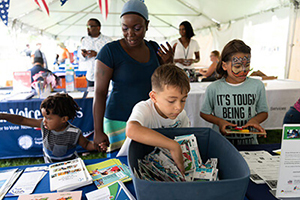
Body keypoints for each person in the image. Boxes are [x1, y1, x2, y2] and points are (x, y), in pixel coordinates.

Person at [93, 0, 174, 152]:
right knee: (120, 168)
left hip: (148, 119)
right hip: (119, 121)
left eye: (137, 28)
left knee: (148, 165)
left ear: (147, 25)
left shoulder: (154, 49)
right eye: (125, 28)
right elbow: (100, 92)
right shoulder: (110, 51)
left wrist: (168, 64)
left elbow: (166, 86)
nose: (130, 34)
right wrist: (97, 130)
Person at [200, 39, 269, 145]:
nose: (243, 70)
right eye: (237, 66)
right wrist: (220, 122)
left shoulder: (257, 85)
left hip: (249, 144)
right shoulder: (213, 88)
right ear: (224, 66)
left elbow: (263, 112)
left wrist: (255, 121)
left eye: (247, 65)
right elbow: (204, 113)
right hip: (221, 143)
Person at [124, 64, 190, 173]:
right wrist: (172, 145)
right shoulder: (144, 108)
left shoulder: (181, 115)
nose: (178, 107)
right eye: (171, 101)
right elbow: (131, 130)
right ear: (154, 97)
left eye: (183, 100)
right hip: (130, 162)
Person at [0, 93, 101, 163]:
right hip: (50, 166)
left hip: (72, 167)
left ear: (64, 119)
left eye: (48, 118)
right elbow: (22, 120)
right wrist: (3, 116)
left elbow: (87, 144)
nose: (44, 120)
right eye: (43, 117)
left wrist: (98, 146)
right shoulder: (43, 125)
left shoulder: (74, 132)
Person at [80, 18, 112, 87]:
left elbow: (112, 58)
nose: (88, 29)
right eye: (87, 26)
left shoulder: (107, 41)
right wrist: (83, 55)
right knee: (90, 97)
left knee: (104, 97)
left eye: (90, 26)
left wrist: (97, 54)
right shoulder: (85, 40)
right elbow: (81, 59)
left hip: (104, 76)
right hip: (90, 76)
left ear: (98, 28)